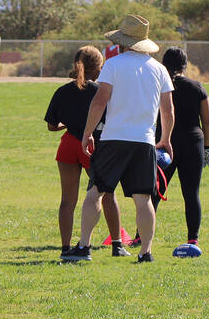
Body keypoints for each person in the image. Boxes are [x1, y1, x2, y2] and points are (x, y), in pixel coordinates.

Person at [80, 15, 175, 263]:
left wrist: (87, 133)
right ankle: (146, 252)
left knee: (96, 192)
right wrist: (166, 138)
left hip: (113, 138)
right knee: (144, 199)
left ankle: (84, 246)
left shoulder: (113, 64)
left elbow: (99, 101)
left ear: (122, 41)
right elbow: (168, 110)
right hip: (145, 141)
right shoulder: (160, 69)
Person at [45, 46, 129, 262]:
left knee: (67, 200)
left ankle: (65, 248)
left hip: (68, 146)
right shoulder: (101, 91)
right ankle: (117, 244)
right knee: (107, 194)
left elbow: (52, 126)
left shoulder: (62, 91)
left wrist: (68, 125)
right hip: (93, 147)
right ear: (97, 68)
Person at [151, 47, 209, 254]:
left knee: (155, 191)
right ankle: (193, 239)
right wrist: (207, 148)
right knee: (191, 194)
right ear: (185, 65)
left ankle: (142, 235)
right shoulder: (197, 86)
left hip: (165, 143)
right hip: (193, 143)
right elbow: (207, 123)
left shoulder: (159, 86)